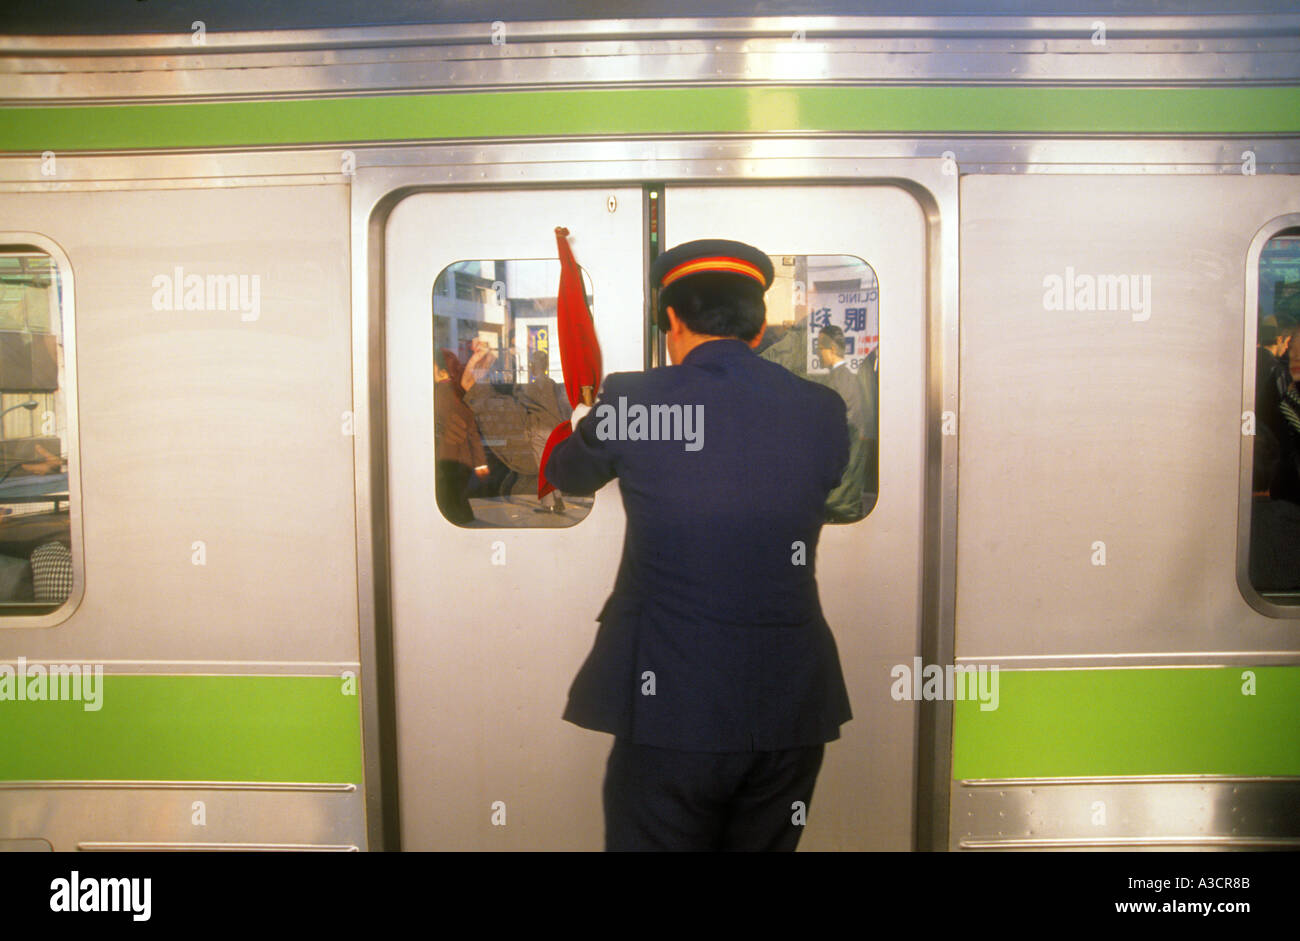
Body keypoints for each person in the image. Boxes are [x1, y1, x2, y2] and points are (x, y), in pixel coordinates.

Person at [544, 238, 853, 851]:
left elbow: (565, 472)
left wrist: (580, 419)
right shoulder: (821, 410)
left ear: (672, 322)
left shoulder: (635, 400)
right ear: (760, 325)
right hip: (790, 706)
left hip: (671, 707)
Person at [816, 325, 872, 522]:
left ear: (830, 348)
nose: (817, 352)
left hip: (840, 495)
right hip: (846, 486)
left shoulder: (837, 382)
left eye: (819, 347)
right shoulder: (848, 379)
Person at [434, 348, 488, 525]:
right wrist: (480, 462)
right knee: (457, 499)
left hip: (446, 458)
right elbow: (472, 432)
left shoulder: (437, 394)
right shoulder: (459, 395)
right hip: (464, 460)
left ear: (440, 369)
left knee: (448, 501)